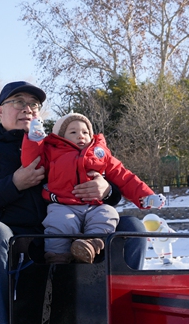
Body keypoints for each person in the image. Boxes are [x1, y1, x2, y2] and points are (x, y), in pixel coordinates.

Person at [0, 81, 146, 324]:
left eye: (34, 104)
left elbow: (110, 177)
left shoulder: (60, 144)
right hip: (20, 238)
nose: (27, 108)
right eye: (18, 102)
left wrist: (106, 190)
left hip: (74, 232)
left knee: (132, 228)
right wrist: (14, 184)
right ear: (1, 111)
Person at [21, 112, 164, 263]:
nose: (81, 136)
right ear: (61, 136)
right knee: (60, 222)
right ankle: (57, 257)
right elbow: (33, 162)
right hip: (64, 204)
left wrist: (146, 195)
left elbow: (124, 176)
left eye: (85, 132)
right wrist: (35, 139)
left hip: (95, 205)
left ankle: (90, 245)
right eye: (73, 132)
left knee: (108, 215)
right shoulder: (53, 152)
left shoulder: (99, 153)